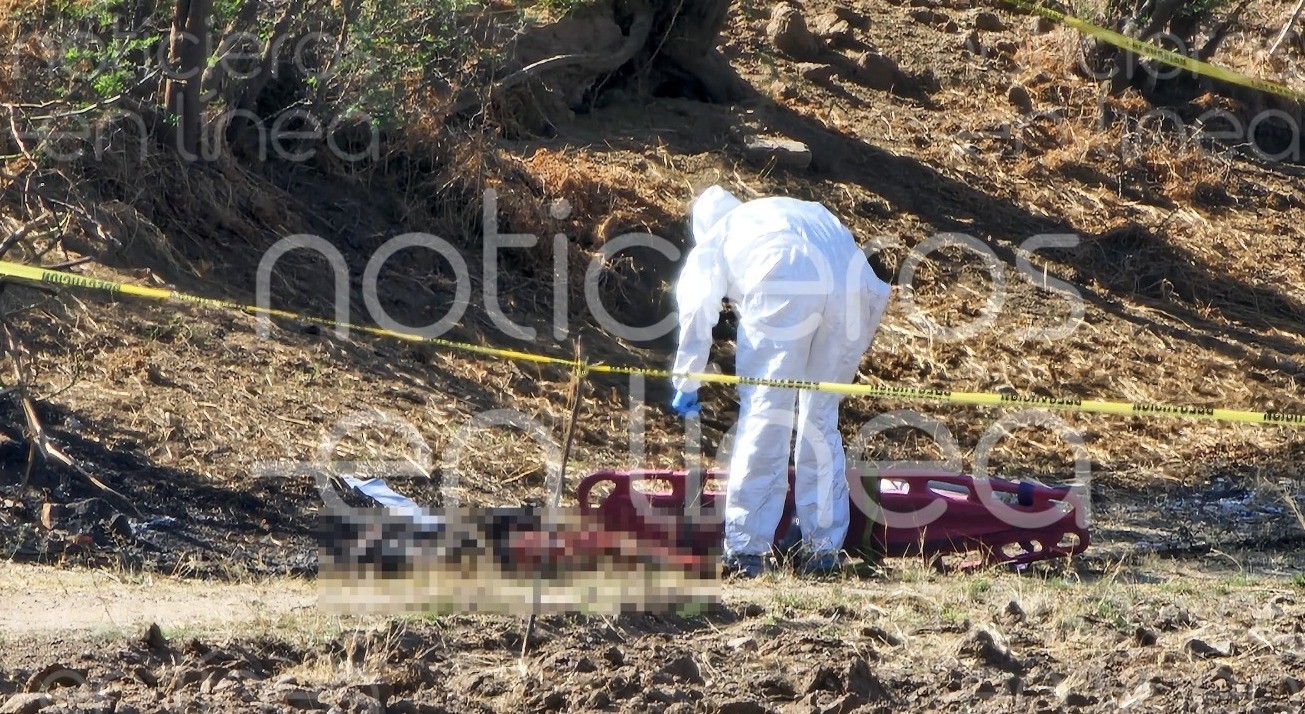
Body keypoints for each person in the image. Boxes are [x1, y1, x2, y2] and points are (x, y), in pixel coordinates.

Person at [669, 186, 891, 578]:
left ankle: (747, 549)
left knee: (767, 411)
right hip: (850, 284)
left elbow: (696, 308)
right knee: (820, 416)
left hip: (784, 276)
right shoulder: (779, 210)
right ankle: (821, 546)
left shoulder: (720, 236)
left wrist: (686, 378)